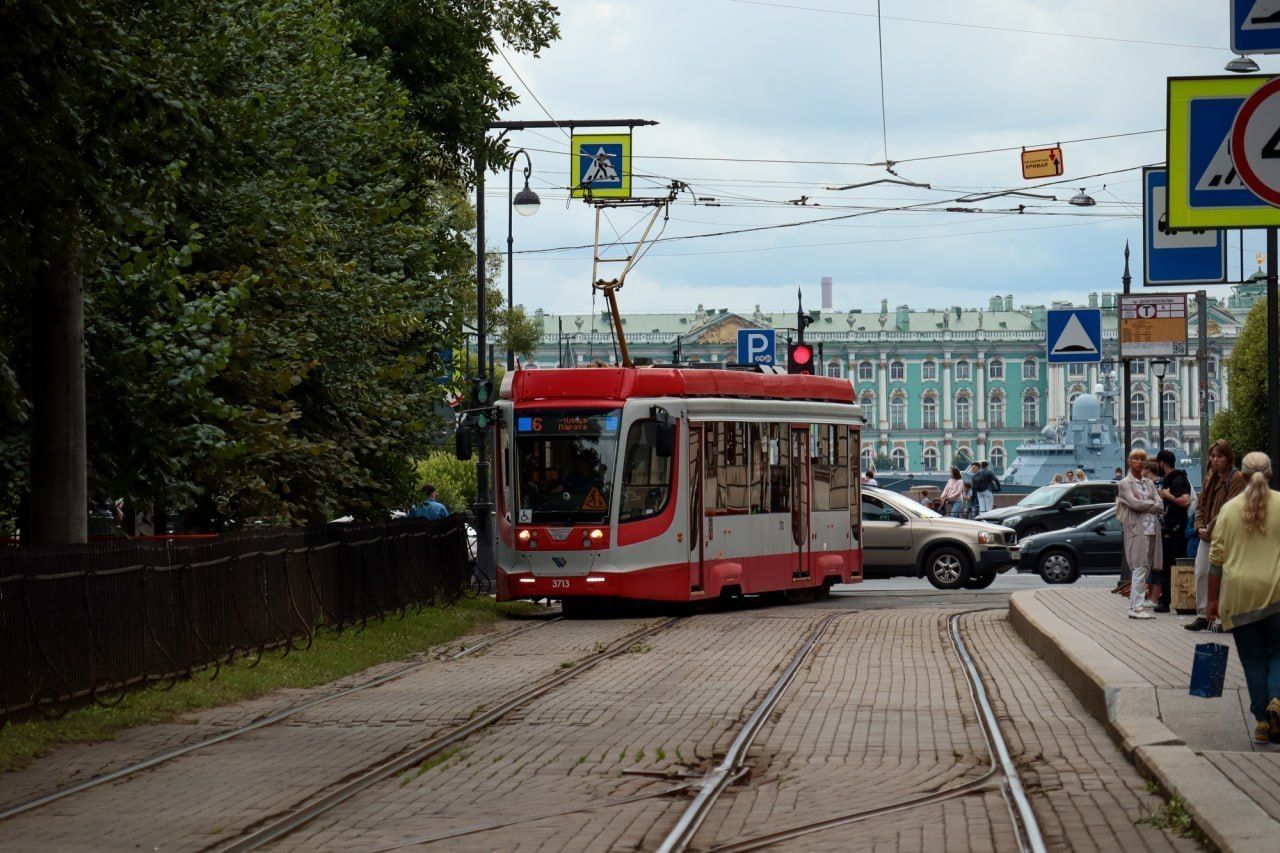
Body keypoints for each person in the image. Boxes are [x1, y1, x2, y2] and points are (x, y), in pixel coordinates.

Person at [1208, 452, 1280, 744]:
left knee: (1252, 660)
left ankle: (1262, 721)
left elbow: (1216, 559)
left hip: (1238, 597)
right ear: (1270, 474)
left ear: (1244, 476)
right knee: (1278, 652)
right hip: (1276, 591)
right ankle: (1276, 698)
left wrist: (1211, 601)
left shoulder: (1228, 509)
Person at [1188, 440, 1246, 632]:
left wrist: (1209, 528)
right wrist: (1199, 527)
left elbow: (1229, 508)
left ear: (1228, 458)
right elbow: (1201, 506)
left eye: (1219, 456)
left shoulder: (1236, 478)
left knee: (1224, 576)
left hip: (1227, 535)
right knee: (1202, 572)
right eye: (1212, 456)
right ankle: (1203, 615)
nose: (1215, 460)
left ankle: (1223, 618)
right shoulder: (1208, 478)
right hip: (1206, 534)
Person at [1117, 449, 1163, 619]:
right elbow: (1135, 504)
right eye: (1135, 458)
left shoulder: (1149, 484)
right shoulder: (1125, 484)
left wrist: (1147, 504)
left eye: (1142, 459)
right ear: (1129, 461)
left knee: (1146, 568)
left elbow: (1160, 505)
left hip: (1151, 530)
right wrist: (1150, 503)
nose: (1139, 462)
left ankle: (1137, 605)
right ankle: (1136, 607)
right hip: (1137, 530)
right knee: (1139, 567)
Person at [1154, 449, 1192, 613]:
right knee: (1168, 565)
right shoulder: (1173, 479)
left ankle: (1171, 600)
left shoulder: (1177, 480)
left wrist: (1167, 496)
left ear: (1161, 463)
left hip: (1175, 530)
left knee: (1171, 565)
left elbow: (1185, 501)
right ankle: (1170, 599)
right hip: (1171, 528)